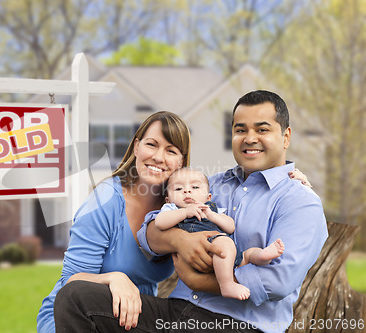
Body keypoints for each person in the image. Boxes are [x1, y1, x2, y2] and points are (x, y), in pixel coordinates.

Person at [53, 90, 328, 333]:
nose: (249, 138)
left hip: (236, 325)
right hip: (174, 315)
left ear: (286, 136)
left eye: (262, 129)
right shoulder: (210, 185)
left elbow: (277, 281)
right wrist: (179, 240)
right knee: (77, 298)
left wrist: (198, 279)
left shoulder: (300, 201)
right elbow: (148, 232)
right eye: (241, 129)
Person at [37, 111, 206, 332]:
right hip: (76, 316)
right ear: (136, 147)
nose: (158, 157)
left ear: (181, 161)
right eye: (152, 144)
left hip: (133, 317)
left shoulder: (178, 206)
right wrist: (113, 278)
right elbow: (71, 280)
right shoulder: (105, 200)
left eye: (171, 151)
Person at [152, 167, 284, 300]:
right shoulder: (172, 209)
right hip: (204, 251)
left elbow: (230, 227)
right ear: (168, 199)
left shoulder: (210, 209)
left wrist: (212, 215)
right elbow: (160, 222)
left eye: (195, 187)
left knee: (247, 254)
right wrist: (185, 212)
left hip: (226, 255)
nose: (187, 191)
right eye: (178, 189)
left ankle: (262, 256)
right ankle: (226, 284)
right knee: (224, 242)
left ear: (208, 197)